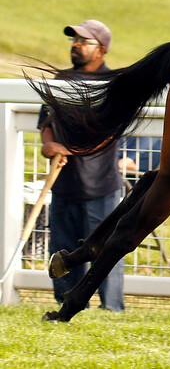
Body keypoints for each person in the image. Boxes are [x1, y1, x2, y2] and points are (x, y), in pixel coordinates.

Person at [38, 19, 125, 311]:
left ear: (101, 49)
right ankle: (65, 305)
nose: (75, 45)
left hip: (100, 188)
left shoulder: (113, 84)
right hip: (63, 187)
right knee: (60, 249)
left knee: (105, 252)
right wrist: (49, 144)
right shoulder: (60, 80)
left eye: (83, 41)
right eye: (74, 40)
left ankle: (111, 310)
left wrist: (69, 149)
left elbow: (110, 134)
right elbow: (46, 122)